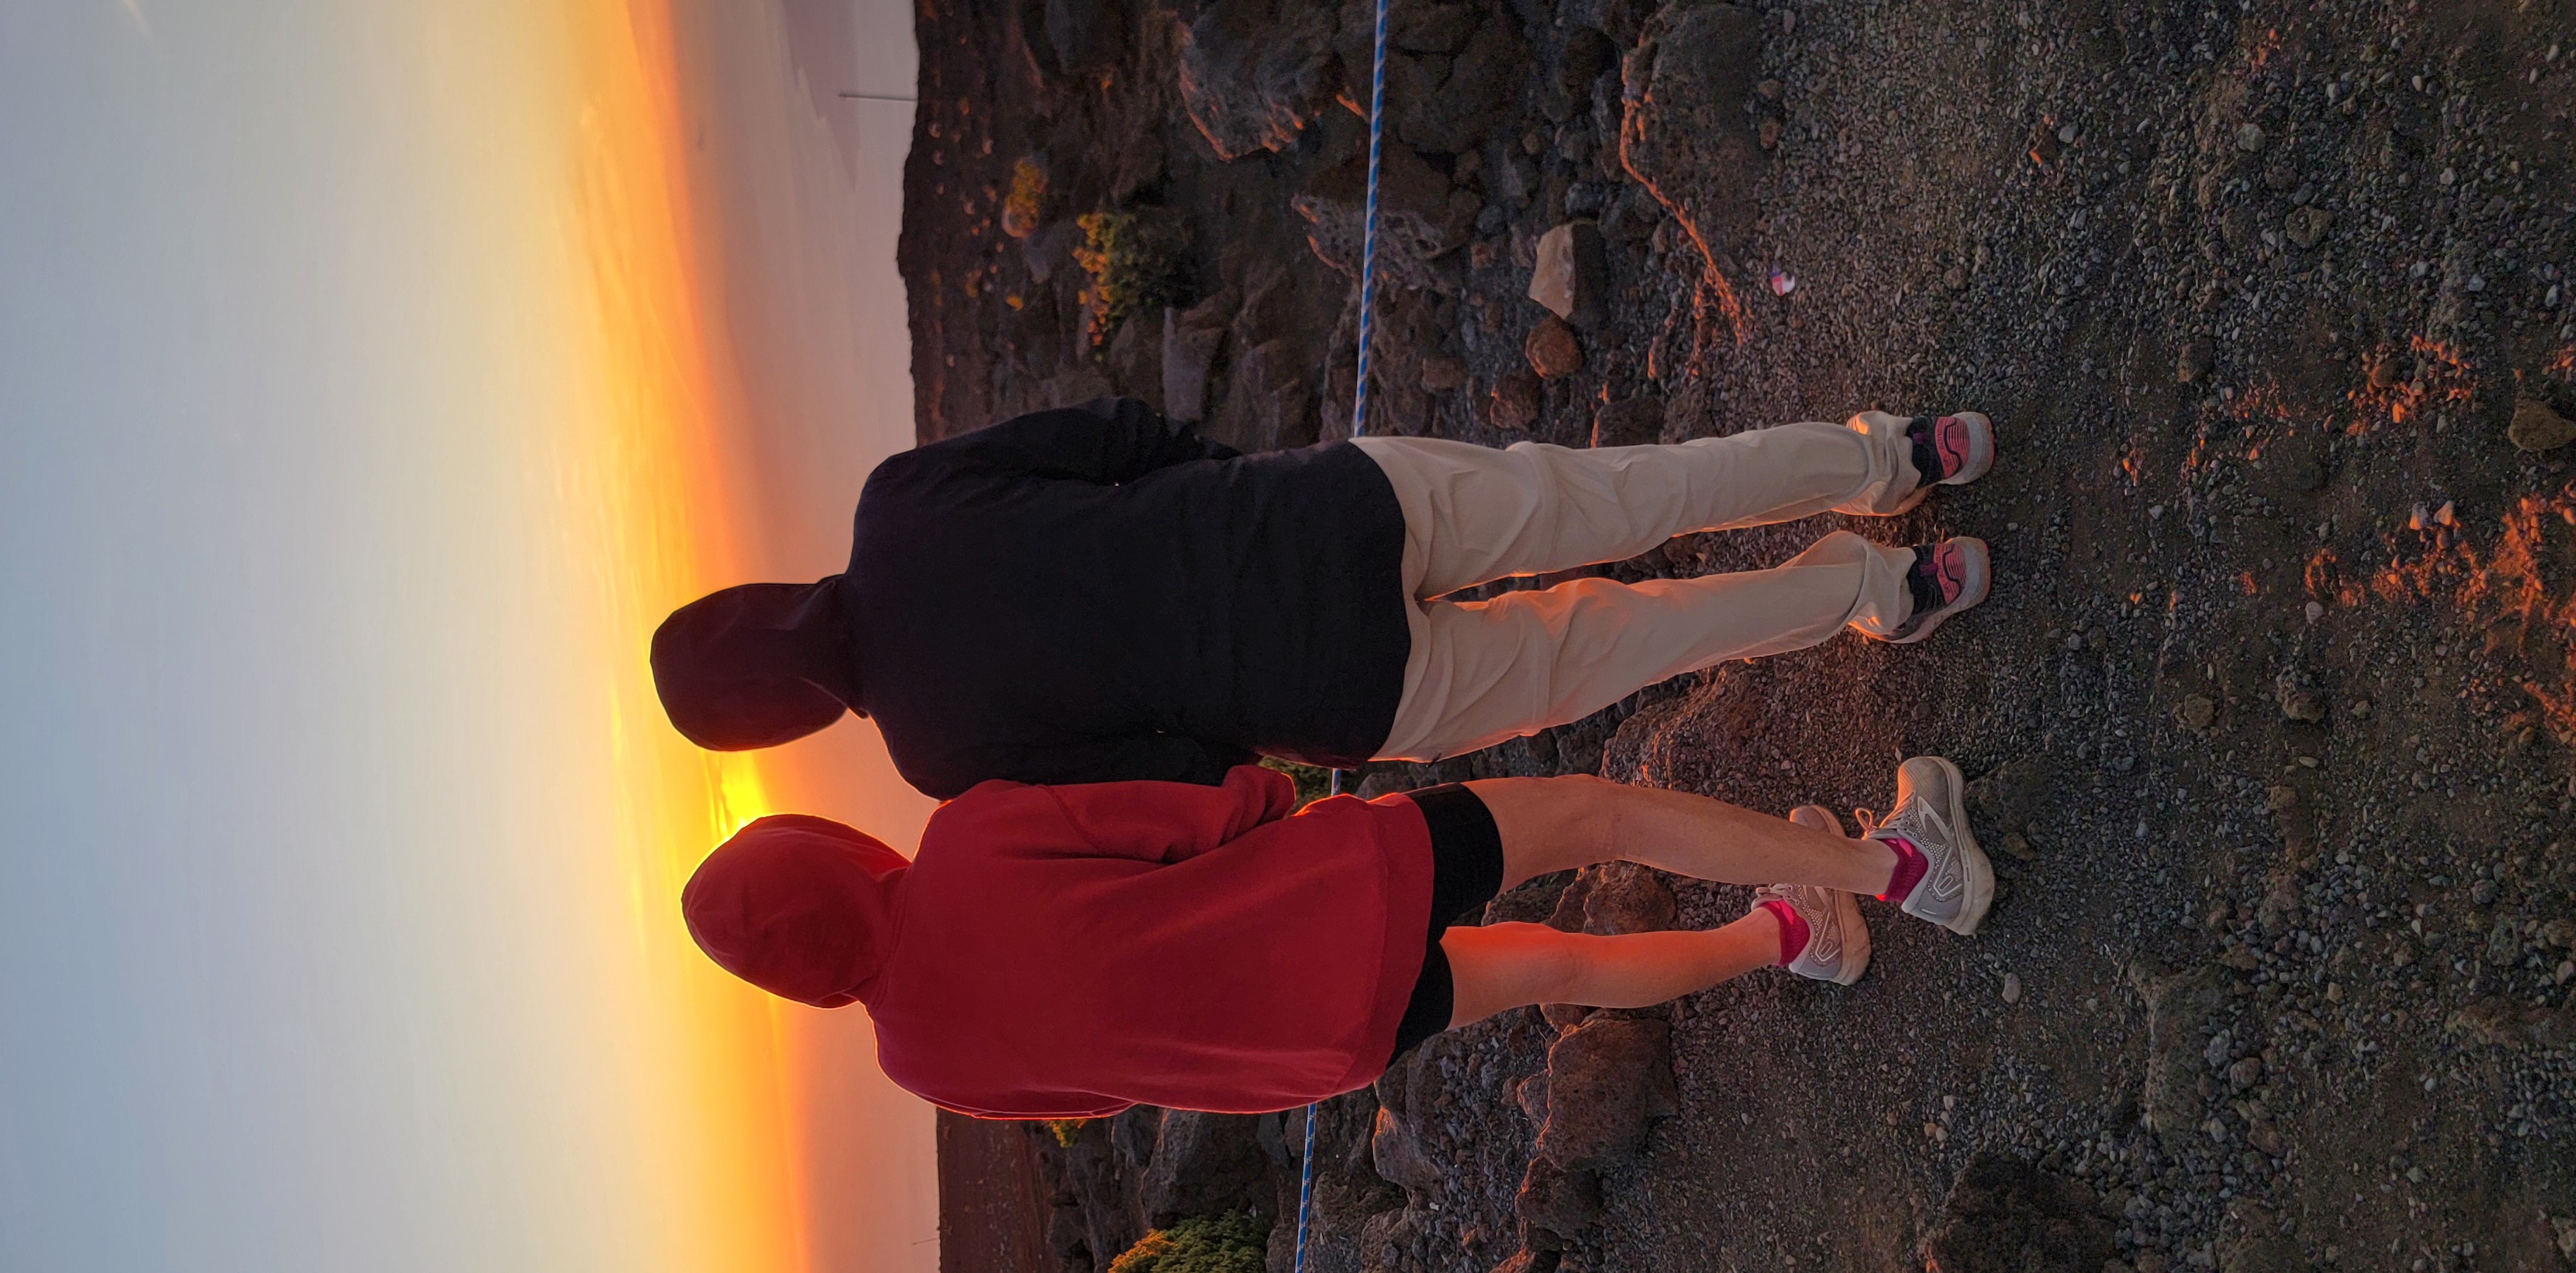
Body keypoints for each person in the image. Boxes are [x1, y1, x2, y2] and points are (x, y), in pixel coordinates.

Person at [649, 399, 1995, 799]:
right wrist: (1236, 498)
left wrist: (1252, 715)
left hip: (1336, 690)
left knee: (1641, 640)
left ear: (781, 726)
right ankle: (1892, 459)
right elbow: (1116, 436)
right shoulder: (897, 504)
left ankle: (1887, 586)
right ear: (750, 597)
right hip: (1329, 507)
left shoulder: (933, 756)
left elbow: (1168, 769)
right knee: (1628, 494)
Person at [678, 755, 1992, 1119]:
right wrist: (1278, 798)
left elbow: (1090, 1094)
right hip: (1344, 884)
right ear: (828, 852)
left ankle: (1792, 939)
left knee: (1565, 964)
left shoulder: (915, 1061)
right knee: (1599, 812)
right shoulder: (963, 842)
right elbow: (1210, 812)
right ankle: (1894, 869)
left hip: (1318, 1041)